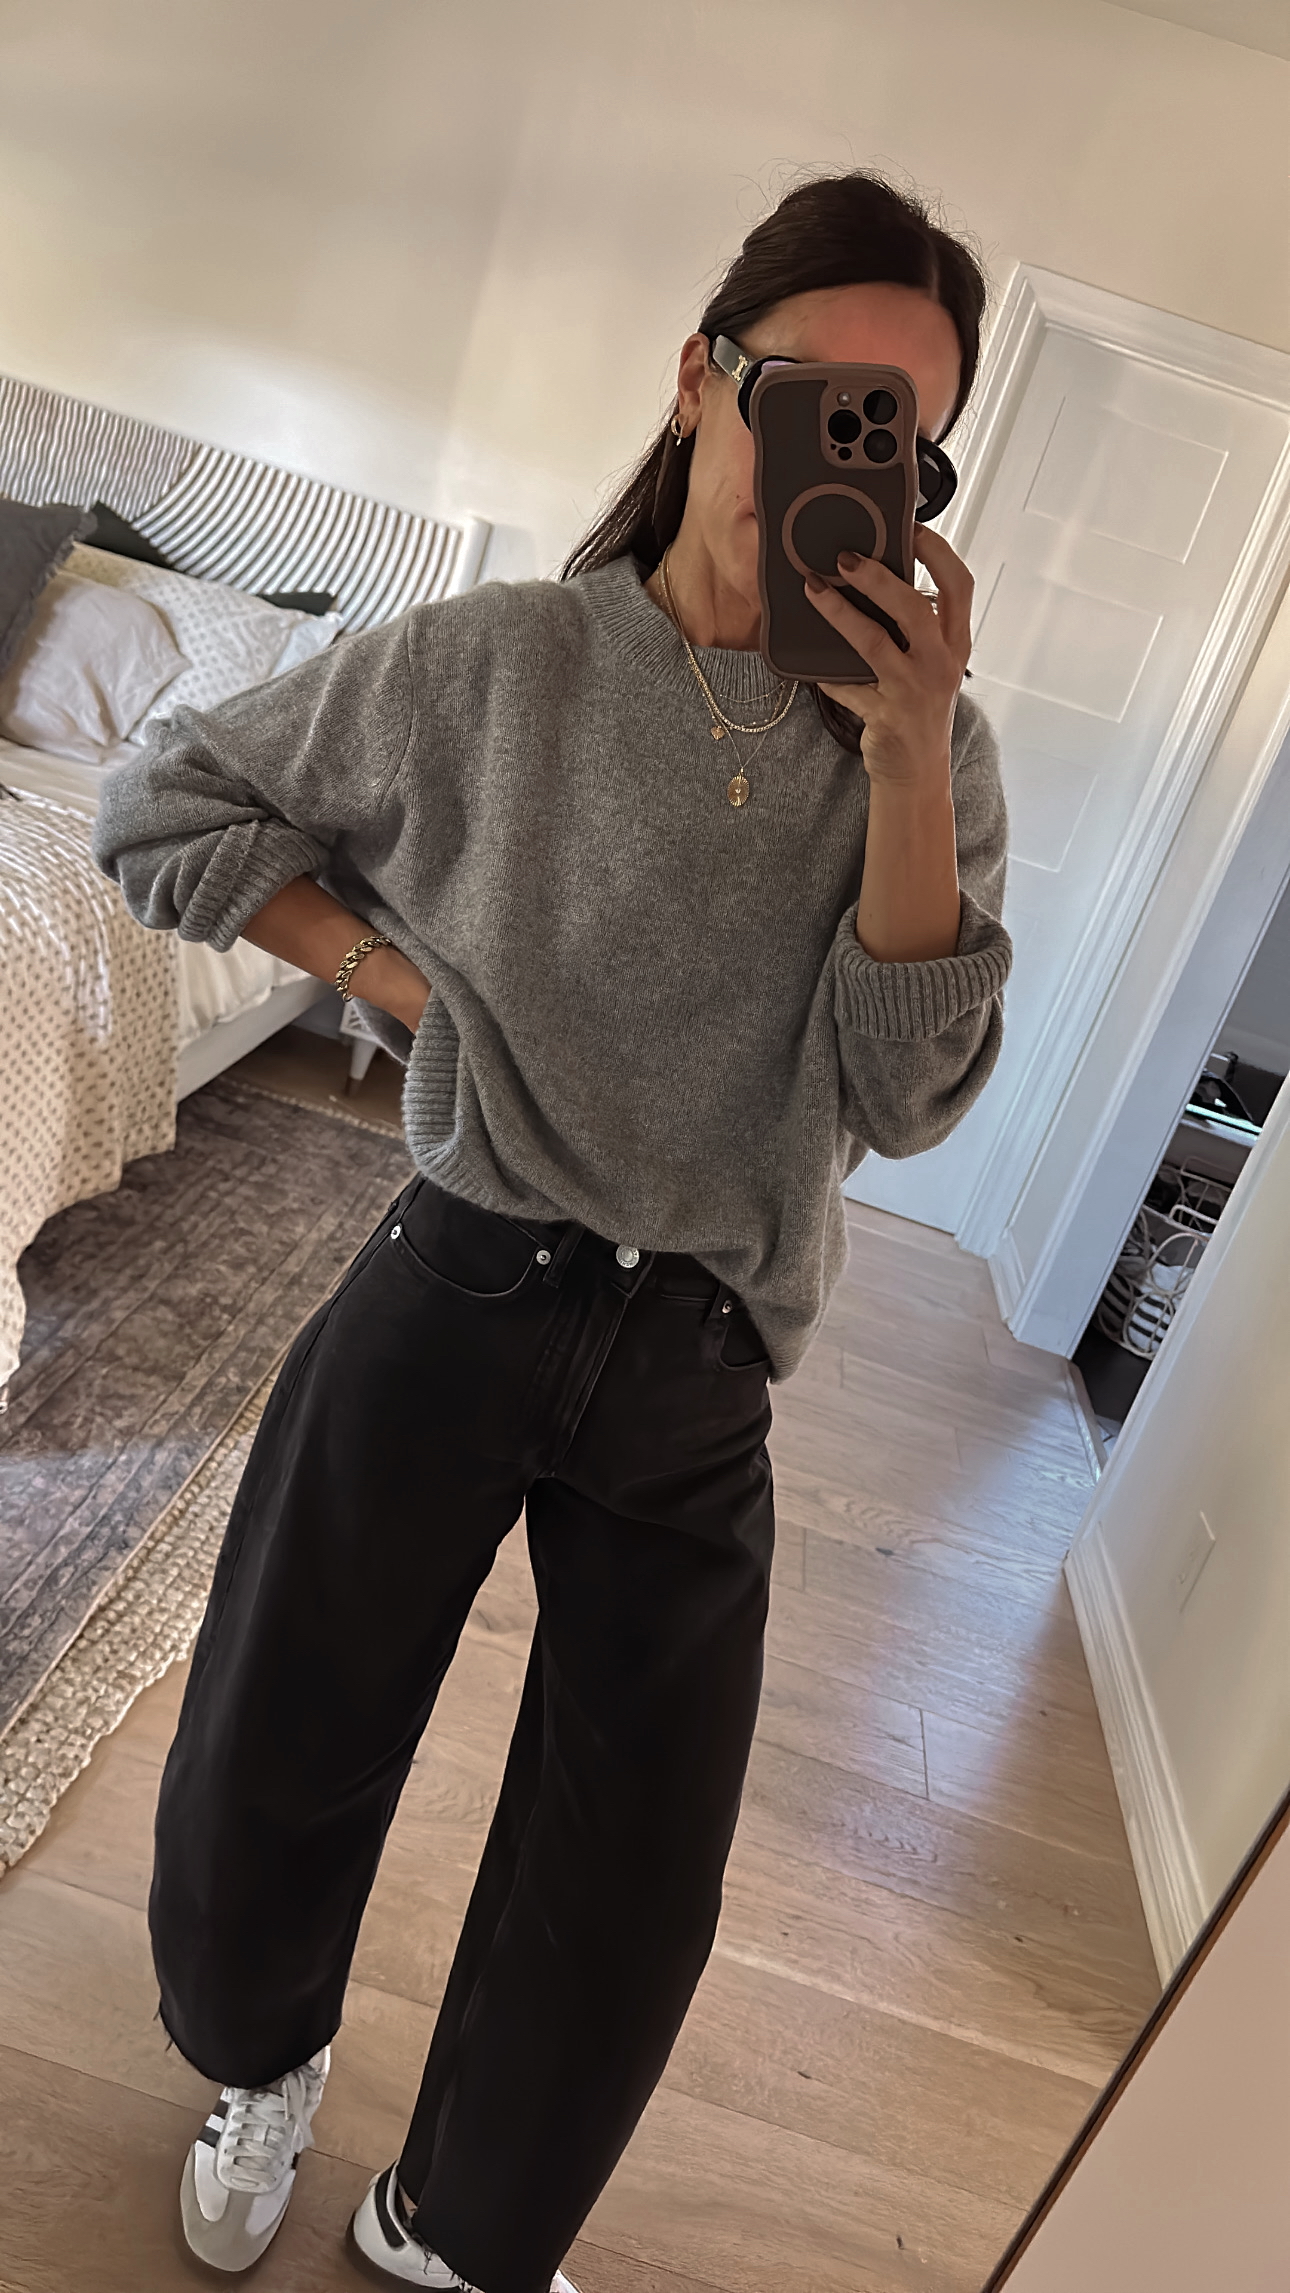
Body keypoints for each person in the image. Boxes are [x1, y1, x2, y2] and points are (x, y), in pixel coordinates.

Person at [92, 168, 1012, 2293]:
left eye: (904, 439)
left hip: (700, 1361)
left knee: (632, 1874)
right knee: (279, 1733)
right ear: (699, 382)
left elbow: (906, 1097)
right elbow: (160, 805)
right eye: (817, 400)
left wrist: (898, 764)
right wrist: (404, 985)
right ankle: (259, 2058)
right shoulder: (501, 661)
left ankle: (457, 2221)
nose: (852, 464)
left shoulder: (934, 751)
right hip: (461, 1280)